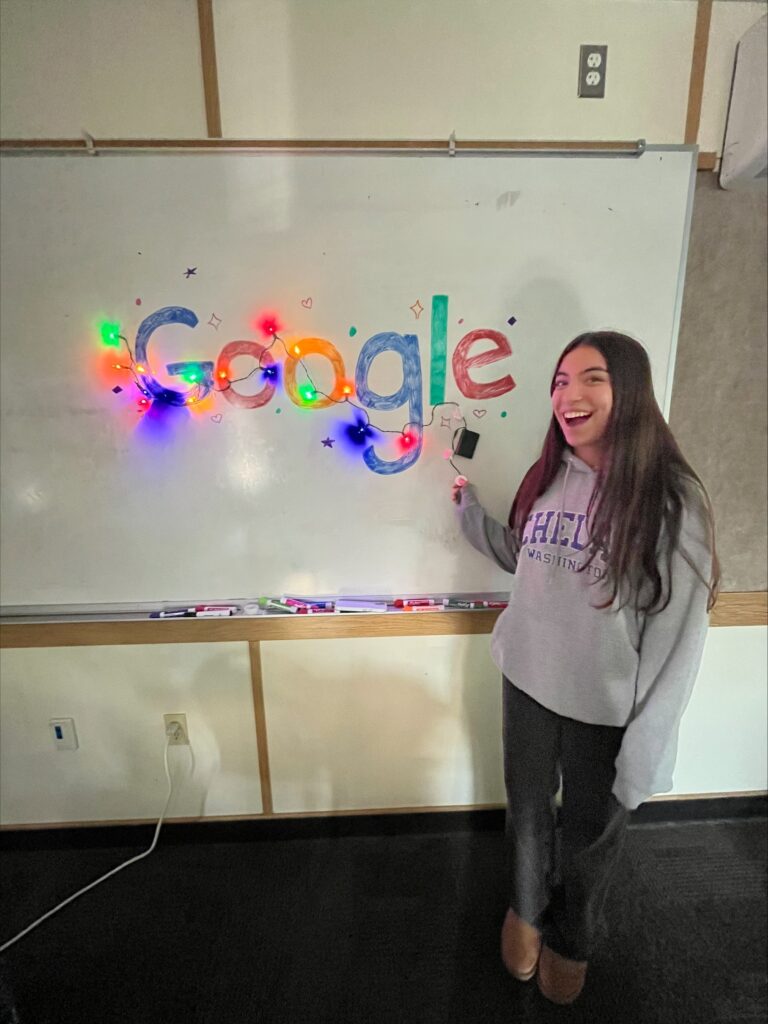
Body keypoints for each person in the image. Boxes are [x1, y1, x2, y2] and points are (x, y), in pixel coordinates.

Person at [452, 331, 719, 1005]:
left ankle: (575, 937)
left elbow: (679, 637)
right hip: (527, 680)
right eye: (560, 380)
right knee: (530, 816)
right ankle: (526, 910)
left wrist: (650, 745)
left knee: (591, 837)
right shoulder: (547, 477)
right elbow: (523, 554)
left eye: (590, 378)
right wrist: (466, 509)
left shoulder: (672, 502)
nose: (568, 395)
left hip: (606, 704)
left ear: (629, 390)